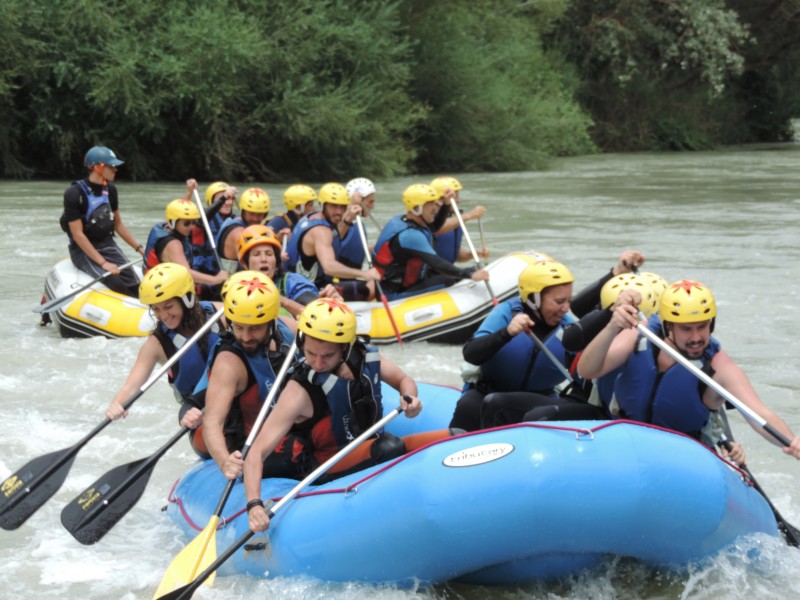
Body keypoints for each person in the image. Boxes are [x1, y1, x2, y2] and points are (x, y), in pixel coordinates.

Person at [243, 298, 426, 532]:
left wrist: (410, 399)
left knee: (453, 435)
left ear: (345, 348)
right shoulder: (298, 392)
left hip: (365, 446)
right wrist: (254, 505)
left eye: (328, 356)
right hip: (324, 464)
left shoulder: (363, 358)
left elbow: (403, 380)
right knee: (389, 447)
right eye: (310, 353)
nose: (318, 363)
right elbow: (256, 451)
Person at [577, 280, 800, 461]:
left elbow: (759, 414)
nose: (696, 338)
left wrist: (791, 441)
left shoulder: (718, 365)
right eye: (686, 329)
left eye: (702, 326)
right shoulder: (640, 335)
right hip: (627, 439)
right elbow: (587, 370)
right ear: (667, 327)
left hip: (682, 457)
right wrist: (613, 326)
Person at [104, 263, 224, 455]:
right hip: (199, 413)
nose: (163, 315)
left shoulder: (220, 314)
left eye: (168, 306)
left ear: (187, 298)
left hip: (239, 396)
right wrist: (117, 404)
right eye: (156, 309)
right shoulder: (157, 345)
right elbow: (131, 386)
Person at [198, 270, 298, 478]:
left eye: (254, 328)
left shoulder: (286, 328)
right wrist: (225, 461)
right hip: (254, 449)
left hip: (289, 430)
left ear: (271, 321)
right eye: (239, 327)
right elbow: (212, 423)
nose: (245, 336)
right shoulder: (229, 363)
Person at [372, 183, 489, 299]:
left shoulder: (403, 219)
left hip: (407, 283)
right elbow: (437, 264)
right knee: (451, 277)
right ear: (417, 208)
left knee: (461, 273)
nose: (435, 208)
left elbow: (436, 226)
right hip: (395, 293)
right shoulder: (410, 236)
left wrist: (446, 204)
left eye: (435, 203)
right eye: (430, 204)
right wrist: (470, 275)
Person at [60, 145, 144, 297]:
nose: (115, 169)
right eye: (111, 166)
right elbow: (78, 234)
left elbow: (118, 225)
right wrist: (103, 263)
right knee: (115, 283)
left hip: (107, 245)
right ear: (96, 167)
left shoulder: (111, 190)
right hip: (82, 251)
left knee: (134, 284)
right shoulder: (74, 193)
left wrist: (140, 248)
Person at [286, 182, 380, 301]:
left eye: (342, 207)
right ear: (322, 205)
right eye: (333, 206)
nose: (339, 212)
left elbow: (333, 238)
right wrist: (365, 274)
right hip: (308, 290)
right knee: (371, 287)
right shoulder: (321, 231)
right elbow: (329, 267)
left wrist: (346, 221)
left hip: (294, 283)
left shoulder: (312, 217)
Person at [237, 224, 342, 318]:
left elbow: (316, 314)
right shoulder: (237, 287)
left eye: (269, 254)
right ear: (245, 264)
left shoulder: (292, 282)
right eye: (256, 254)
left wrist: (280, 300)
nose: (264, 259)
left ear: (276, 260)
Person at [142, 198, 229, 290]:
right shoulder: (173, 244)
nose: (192, 227)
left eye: (193, 222)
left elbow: (179, 207)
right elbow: (186, 273)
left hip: (159, 281)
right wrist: (215, 279)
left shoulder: (164, 227)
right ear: (173, 222)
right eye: (187, 223)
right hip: (162, 289)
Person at [429, 176, 488, 264]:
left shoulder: (455, 219)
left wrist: (475, 253)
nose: (459, 200)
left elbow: (455, 255)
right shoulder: (428, 218)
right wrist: (469, 215)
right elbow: (437, 228)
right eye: (456, 196)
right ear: (441, 199)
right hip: (429, 274)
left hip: (446, 272)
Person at [215, 187, 271, 273]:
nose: (255, 219)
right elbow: (253, 265)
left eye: (260, 215)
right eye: (252, 213)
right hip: (231, 282)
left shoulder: (236, 220)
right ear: (243, 211)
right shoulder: (239, 233)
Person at [337, 177, 377, 269]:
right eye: (370, 202)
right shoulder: (341, 220)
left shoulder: (358, 223)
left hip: (352, 276)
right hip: (338, 278)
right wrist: (352, 206)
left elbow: (356, 248)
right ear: (359, 201)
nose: (373, 206)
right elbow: (334, 239)